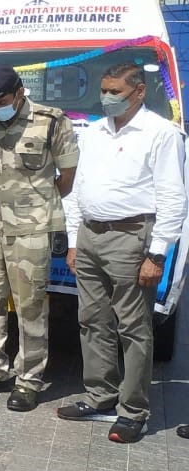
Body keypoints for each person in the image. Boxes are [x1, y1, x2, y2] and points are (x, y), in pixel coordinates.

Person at [60, 62, 187, 442]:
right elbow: (77, 189)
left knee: (133, 328)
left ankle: (133, 411)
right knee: (92, 320)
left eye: (115, 92)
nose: (107, 98)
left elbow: (172, 197)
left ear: (139, 92)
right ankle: (101, 396)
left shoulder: (161, 133)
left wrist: (158, 254)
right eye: (104, 90)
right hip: (90, 235)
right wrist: (72, 240)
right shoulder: (95, 132)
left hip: (132, 238)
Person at [0, 67, 78, 412]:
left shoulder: (52, 121)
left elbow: (67, 178)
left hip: (31, 230)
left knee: (30, 307)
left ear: (18, 92)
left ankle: (29, 380)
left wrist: (34, 205)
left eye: (1, 100)